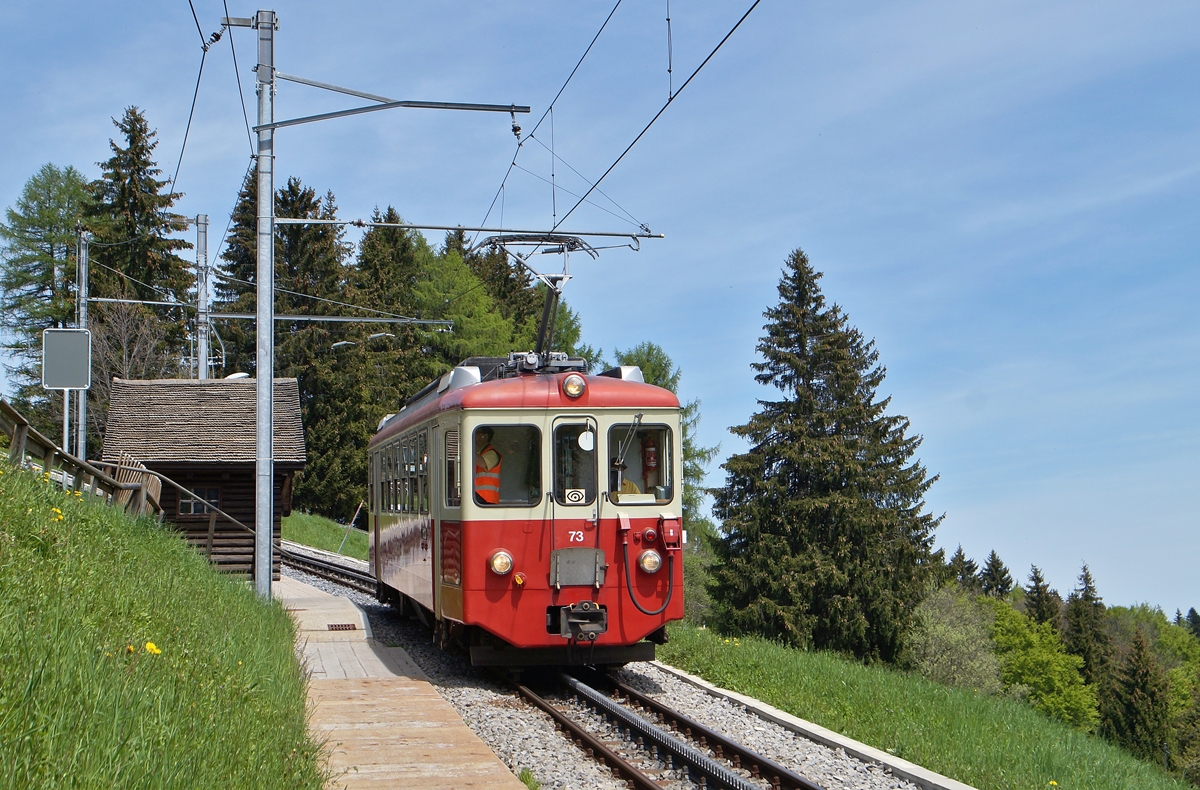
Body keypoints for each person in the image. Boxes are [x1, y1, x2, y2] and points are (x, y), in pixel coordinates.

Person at [474, 427, 502, 504]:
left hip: (487, 499)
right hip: (477, 497)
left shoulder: (492, 453)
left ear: (485, 436)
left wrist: (468, 448)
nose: (474, 436)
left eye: (477, 433)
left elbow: (482, 463)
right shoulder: (479, 452)